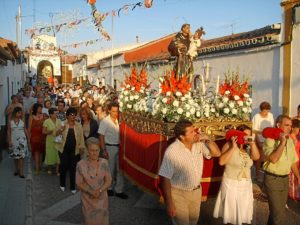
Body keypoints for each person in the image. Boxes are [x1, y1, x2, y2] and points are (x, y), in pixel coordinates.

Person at [158, 119, 221, 225]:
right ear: (182, 137)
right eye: (191, 132)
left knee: (193, 222)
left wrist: (208, 139)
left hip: (196, 192)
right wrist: (169, 203)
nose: (195, 133)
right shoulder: (172, 151)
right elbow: (165, 178)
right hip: (179, 194)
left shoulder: (199, 144)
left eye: (194, 130)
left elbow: (217, 153)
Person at [213, 125, 260, 225]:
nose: (247, 137)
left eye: (249, 135)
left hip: (245, 185)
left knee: (242, 215)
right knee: (231, 216)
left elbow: (256, 158)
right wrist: (233, 148)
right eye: (245, 135)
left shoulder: (248, 147)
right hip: (231, 183)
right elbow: (221, 162)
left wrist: (253, 144)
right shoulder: (228, 145)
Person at [263, 115, 300, 225]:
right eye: (286, 125)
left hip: (285, 179)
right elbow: (273, 159)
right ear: (278, 125)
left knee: (277, 212)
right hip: (273, 180)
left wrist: (298, 177)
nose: (290, 128)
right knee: (278, 215)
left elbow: (292, 161)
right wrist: (282, 142)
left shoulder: (290, 141)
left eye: (291, 126)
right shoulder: (270, 140)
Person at [76, 137, 112, 225]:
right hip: (88, 200)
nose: (94, 153)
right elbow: (78, 183)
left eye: (96, 150)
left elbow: (109, 180)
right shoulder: (81, 164)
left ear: (99, 150)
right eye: (92, 150)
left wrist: (99, 190)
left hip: (102, 199)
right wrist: (90, 191)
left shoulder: (104, 163)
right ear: (87, 151)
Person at [98, 102, 128, 199]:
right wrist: (103, 150)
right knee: (110, 169)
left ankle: (119, 190)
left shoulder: (120, 120)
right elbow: (101, 135)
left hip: (120, 147)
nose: (116, 113)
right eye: (114, 111)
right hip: (109, 147)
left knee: (120, 169)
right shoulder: (105, 121)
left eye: (117, 111)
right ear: (109, 110)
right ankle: (109, 188)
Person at [55, 107, 86, 194]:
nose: (73, 117)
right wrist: (61, 130)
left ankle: (72, 186)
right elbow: (55, 134)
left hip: (75, 151)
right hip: (63, 150)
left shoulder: (79, 125)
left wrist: (82, 147)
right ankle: (62, 184)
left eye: (74, 115)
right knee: (63, 167)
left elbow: (81, 138)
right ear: (67, 116)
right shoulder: (62, 123)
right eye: (71, 115)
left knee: (73, 169)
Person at [252, 101, 274, 180]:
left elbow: (271, 127)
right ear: (261, 110)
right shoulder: (256, 116)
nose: (266, 112)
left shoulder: (270, 115)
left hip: (268, 139)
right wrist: (258, 142)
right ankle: (257, 175)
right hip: (259, 138)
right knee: (259, 158)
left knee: (267, 158)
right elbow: (254, 130)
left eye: (268, 110)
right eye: (265, 110)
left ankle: (267, 176)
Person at [7, 107, 29, 178]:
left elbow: (25, 129)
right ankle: (16, 170)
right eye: (18, 112)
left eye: (20, 113)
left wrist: (28, 139)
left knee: (21, 156)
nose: (20, 114)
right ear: (15, 112)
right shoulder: (10, 121)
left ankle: (21, 172)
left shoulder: (22, 120)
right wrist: (9, 140)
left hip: (22, 140)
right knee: (15, 156)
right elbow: (9, 131)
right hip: (14, 140)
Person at [28, 103, 46, 174]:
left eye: (41, 108)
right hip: (34, 136)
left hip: (42, 136)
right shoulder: (31, 117)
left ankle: (40, 166)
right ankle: (37, 167)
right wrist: (29, 139)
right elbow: (29, 129)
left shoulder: (44, 116)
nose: (40, 109)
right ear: (36, 109)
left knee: (41, 151)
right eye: (39, 108)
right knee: (36, 151)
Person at [42, 107, 60, 175]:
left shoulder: (59, 121)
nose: (56, 115)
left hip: (58, 140)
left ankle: (57, 170)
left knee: (57, 155)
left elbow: (61, 130)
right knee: (50, 155)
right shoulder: (46, 121)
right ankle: (49, 169)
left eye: (57, 113)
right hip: (50, 140)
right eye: (55, 114)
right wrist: (51, 131)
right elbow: (43, 132)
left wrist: (60, 131)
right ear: (51, 114)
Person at [288, 119, 300, 201]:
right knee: (292, 178)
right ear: (293, 128)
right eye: (298, 128)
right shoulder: (290, 138)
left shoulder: (297, 137)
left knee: (296, 178)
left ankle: (295, 194)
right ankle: (292, 195)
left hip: (298, 159)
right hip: (292, 160)